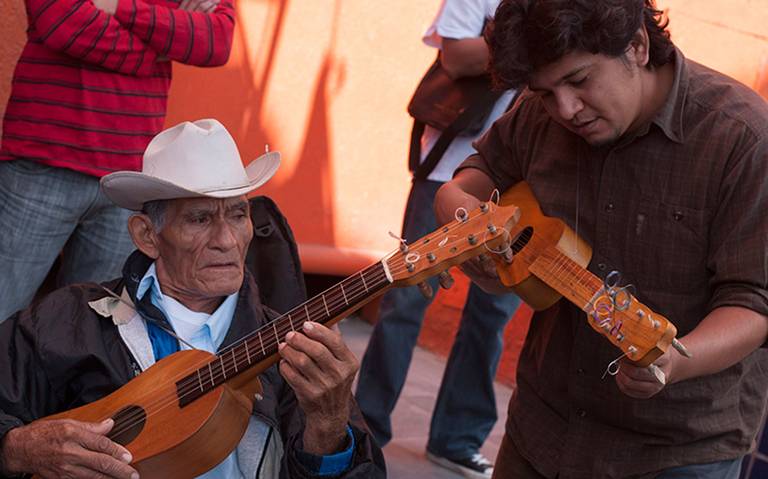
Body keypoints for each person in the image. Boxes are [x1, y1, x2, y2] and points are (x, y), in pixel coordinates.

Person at [434, 1, 768, 478]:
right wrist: (457, 210)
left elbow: (755, 304)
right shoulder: (539, 114)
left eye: (579, 80)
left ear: (636, 45)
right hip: (542, 428)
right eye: (545, 92)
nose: (564, 109)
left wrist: (673, 363)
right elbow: (476, 173)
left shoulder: (744, 139)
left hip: (673, 452)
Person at [0, 119, 386, 479]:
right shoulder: (70, 320)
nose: (227, 240)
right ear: (147, 236)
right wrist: (17, 447)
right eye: (200, 219)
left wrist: (329, 425)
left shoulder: (290, 347)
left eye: (237, 215)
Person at [355, 1, 521, 477]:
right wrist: (533, 40)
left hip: (521, 185)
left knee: (492, 314)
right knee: (405, 301)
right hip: (449, 171)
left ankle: (457, 438)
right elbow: (457, 55)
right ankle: (367, 428)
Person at [0, 0, 235, 321]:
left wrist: (118, 8)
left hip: (127, 181)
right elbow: (61, 22)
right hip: (44, 164)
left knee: (92, 334)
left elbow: (215, 42)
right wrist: (160, 45)